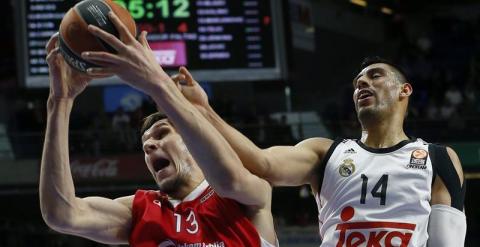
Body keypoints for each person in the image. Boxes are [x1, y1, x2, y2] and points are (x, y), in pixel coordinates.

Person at [79, 12, 466, 246]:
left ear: (404, 90)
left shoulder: (435, 157)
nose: (362, 84)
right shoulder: (325, 152)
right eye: (356, 82)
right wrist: (205, 110)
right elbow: (260, 163)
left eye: (375, 76)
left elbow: (447, 241)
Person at [40, 32, 277, 247]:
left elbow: (229, 180)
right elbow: (62, 215)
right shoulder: (141, 210)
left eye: (162, 133)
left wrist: (158, 83)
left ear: (192, 142)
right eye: (145, 144)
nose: (149, 145)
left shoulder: (247, 197)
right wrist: (59, 102)